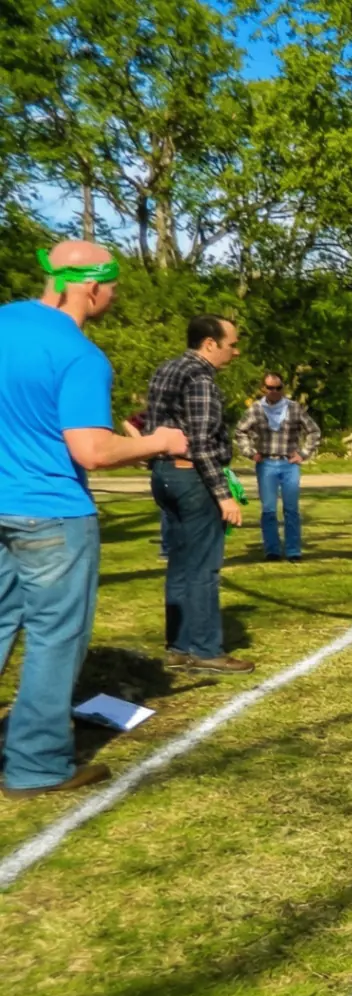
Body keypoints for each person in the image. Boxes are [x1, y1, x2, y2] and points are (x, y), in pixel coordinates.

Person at [0, 241, 188, 799]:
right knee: (56, 640)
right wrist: (159, 440)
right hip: (53, 513)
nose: (112, 296)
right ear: (90, 287)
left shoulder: (5, 322)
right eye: (112, 287)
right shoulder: (80, 356)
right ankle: (36, 764)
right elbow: (92, 451)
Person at [148, 314, 253, 673]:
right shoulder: (201, 379)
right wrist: (223, 495)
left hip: (164, 475)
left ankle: (178, 646)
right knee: (204, 567)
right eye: (231, 344)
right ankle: (207, 650)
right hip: (192, 478)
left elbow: (152, 425)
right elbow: (202, 443)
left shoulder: (166, 370)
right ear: (210, 344)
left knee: (178, 563)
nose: (235, 352)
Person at [234, 371, 321, 562]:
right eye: (270, 388)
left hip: (289, 463)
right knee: (269, 510)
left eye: (278, 388)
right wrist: (250, 452)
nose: (274, 391)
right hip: (266, 464)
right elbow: (240, 431)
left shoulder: (294, 408)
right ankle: (272, 549)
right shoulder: (256, 409)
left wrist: (303, 454)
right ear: (263, 388)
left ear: (283, 388)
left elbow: (313, 431)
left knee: (291, 509)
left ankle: (293, 550)